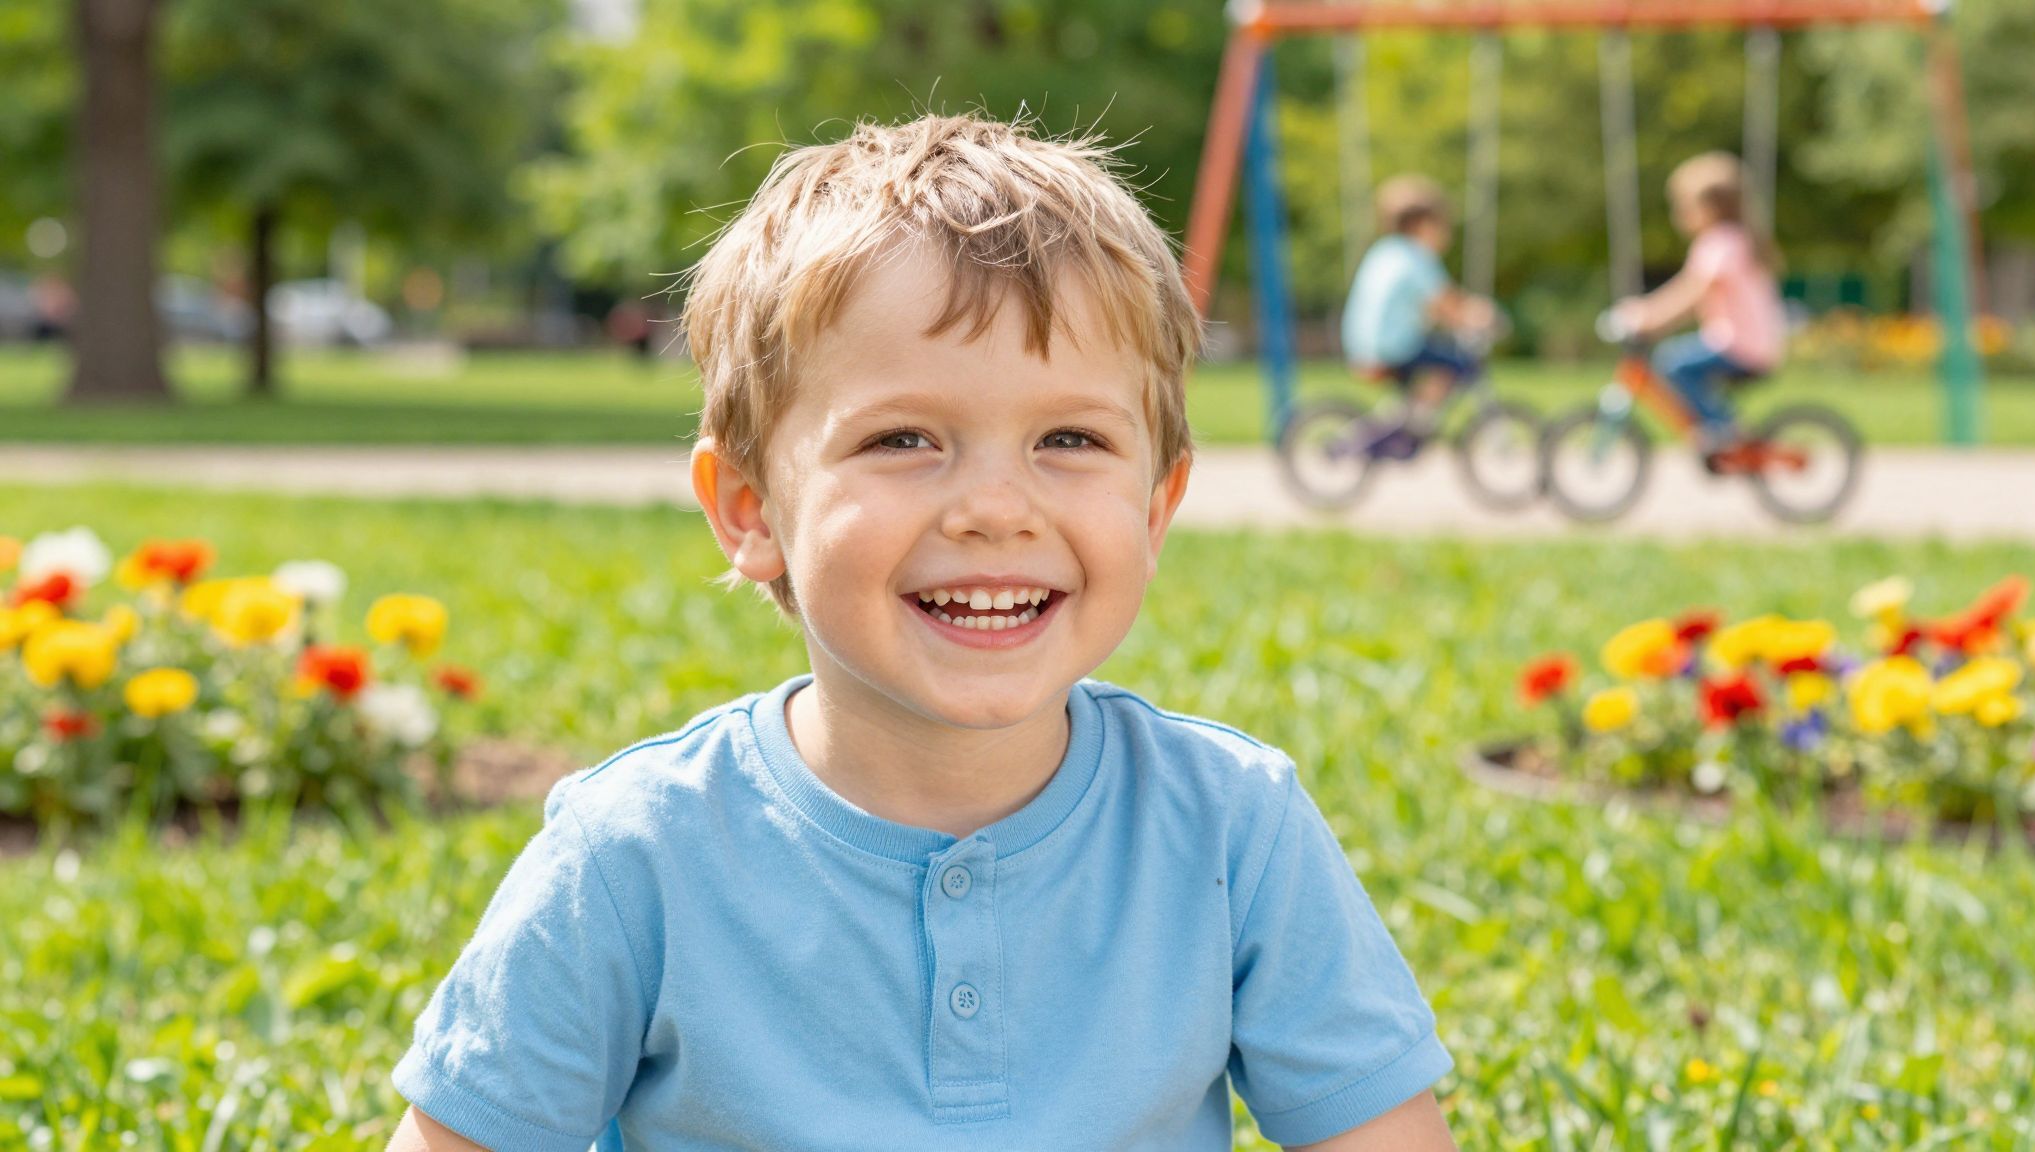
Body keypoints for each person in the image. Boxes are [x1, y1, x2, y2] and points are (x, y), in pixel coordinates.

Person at [384, 115, 1457, 1152]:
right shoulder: (633, 856)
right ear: (750, 508)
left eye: (1069, 439)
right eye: (903, 439)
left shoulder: (1230, 828)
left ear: (1153, 505)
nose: (996, 507)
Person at [1612, 151, 1787, 461]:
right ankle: (1721, 427)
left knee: (1672, 362)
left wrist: (1649, 318)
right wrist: (1647, 310)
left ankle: (1722, 431)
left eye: (1685, 206)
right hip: (1738, 342)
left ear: (1711, 208)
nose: (1679, 214)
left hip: (1741, 346)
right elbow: (1686, 288)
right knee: (1678, 362)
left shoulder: (1724, 243)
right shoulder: (1727, 241)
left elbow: (1693, 295)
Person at [1339, 175, 1498, 458]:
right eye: (1442, 226)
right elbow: (1446, 303)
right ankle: (1416, 424)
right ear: (1424, 226)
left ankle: (1405, 419)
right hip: (1391, 345)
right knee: (1457, 364)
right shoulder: (1415, 257)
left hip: (1365, 342)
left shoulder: (1385, 251)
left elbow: (1425, 306)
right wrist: (1480, 316)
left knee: (1432, 364)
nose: (1446, 233)